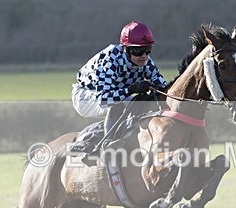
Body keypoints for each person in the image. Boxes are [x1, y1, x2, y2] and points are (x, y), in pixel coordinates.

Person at [69, 21, 169, 154]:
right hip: (86, 96)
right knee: (118, 103)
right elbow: (104, 100)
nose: (144, 56)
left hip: (112, 93)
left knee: (145, 101)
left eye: (147, 50)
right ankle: (108, 144)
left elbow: (164, 88)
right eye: (138, 51)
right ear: (126, 49)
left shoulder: (146, 62)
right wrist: (132, 90)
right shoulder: (110, 62)